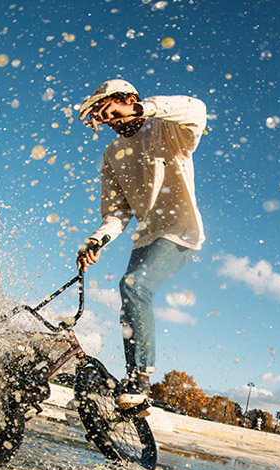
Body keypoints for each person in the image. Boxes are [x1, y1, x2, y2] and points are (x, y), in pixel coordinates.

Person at [75, 79, 207, 409]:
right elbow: (117, 213)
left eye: (114, 109)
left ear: (130, 99)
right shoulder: (111, 154)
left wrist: (139, 109)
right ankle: (130, 388)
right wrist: (97, 240)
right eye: (106, 115)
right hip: (145, 238)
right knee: (128, 296)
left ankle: (140, 378)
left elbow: (197, 109)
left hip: (180, 233)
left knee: (134, 285)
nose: (111, 120)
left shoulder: (167, 128)